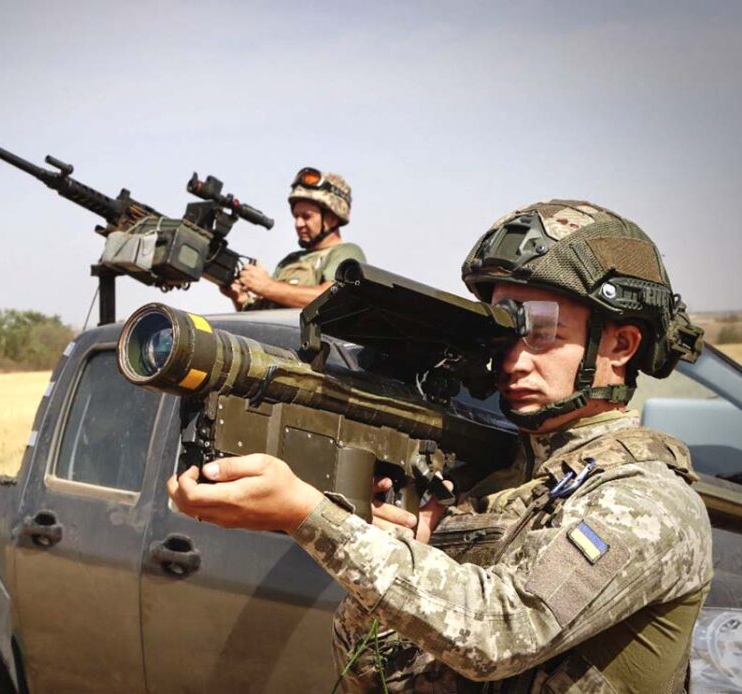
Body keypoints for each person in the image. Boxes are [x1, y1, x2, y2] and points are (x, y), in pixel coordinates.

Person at [170, 200, 711, 692]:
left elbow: (502, 633)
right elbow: (371, 671)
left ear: (621, 344)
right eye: (504, 331)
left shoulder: (648, 500)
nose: (513, 360)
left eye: (542, 331)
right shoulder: (494, 482)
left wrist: (309, 516)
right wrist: (393, 553)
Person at [222, 167, 366, 310]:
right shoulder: (289, 262)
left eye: (306, 216)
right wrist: (240, 298)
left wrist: (266, 286)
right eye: (296, 216)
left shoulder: (346, 253)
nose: (298, 224)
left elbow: (335, 298)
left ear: (332, 218)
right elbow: (265, 315)